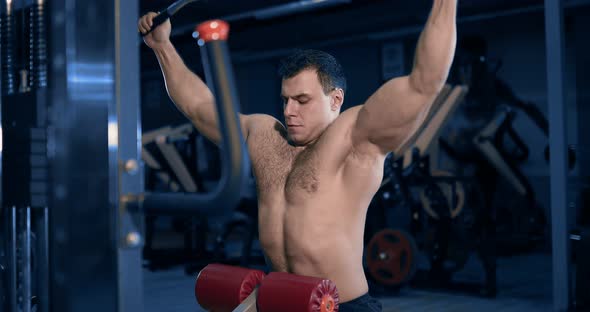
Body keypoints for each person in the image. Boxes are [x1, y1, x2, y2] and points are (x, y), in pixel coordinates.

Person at [138, 1, 456, 310]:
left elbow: (424, 84)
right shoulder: (264, 135)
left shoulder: (355, 138)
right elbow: (199, 108)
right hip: (278, 302)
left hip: (341, 306)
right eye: (286, 99)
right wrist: (162, 46)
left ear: (335, 100)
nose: (289, 111)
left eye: (302, 100)